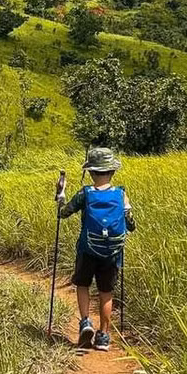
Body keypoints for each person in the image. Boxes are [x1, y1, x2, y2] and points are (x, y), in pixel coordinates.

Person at [58, 147, 135, 351]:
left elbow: (63, 213)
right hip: (113, 252)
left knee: (83, 285)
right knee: (106, 292)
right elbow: (131, 225)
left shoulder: (85, 193)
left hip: (87, 249)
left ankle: (85, 322)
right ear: (113, 171)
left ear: (91, 172)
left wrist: (60, 198)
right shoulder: (121, 194)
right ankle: (103, 336)